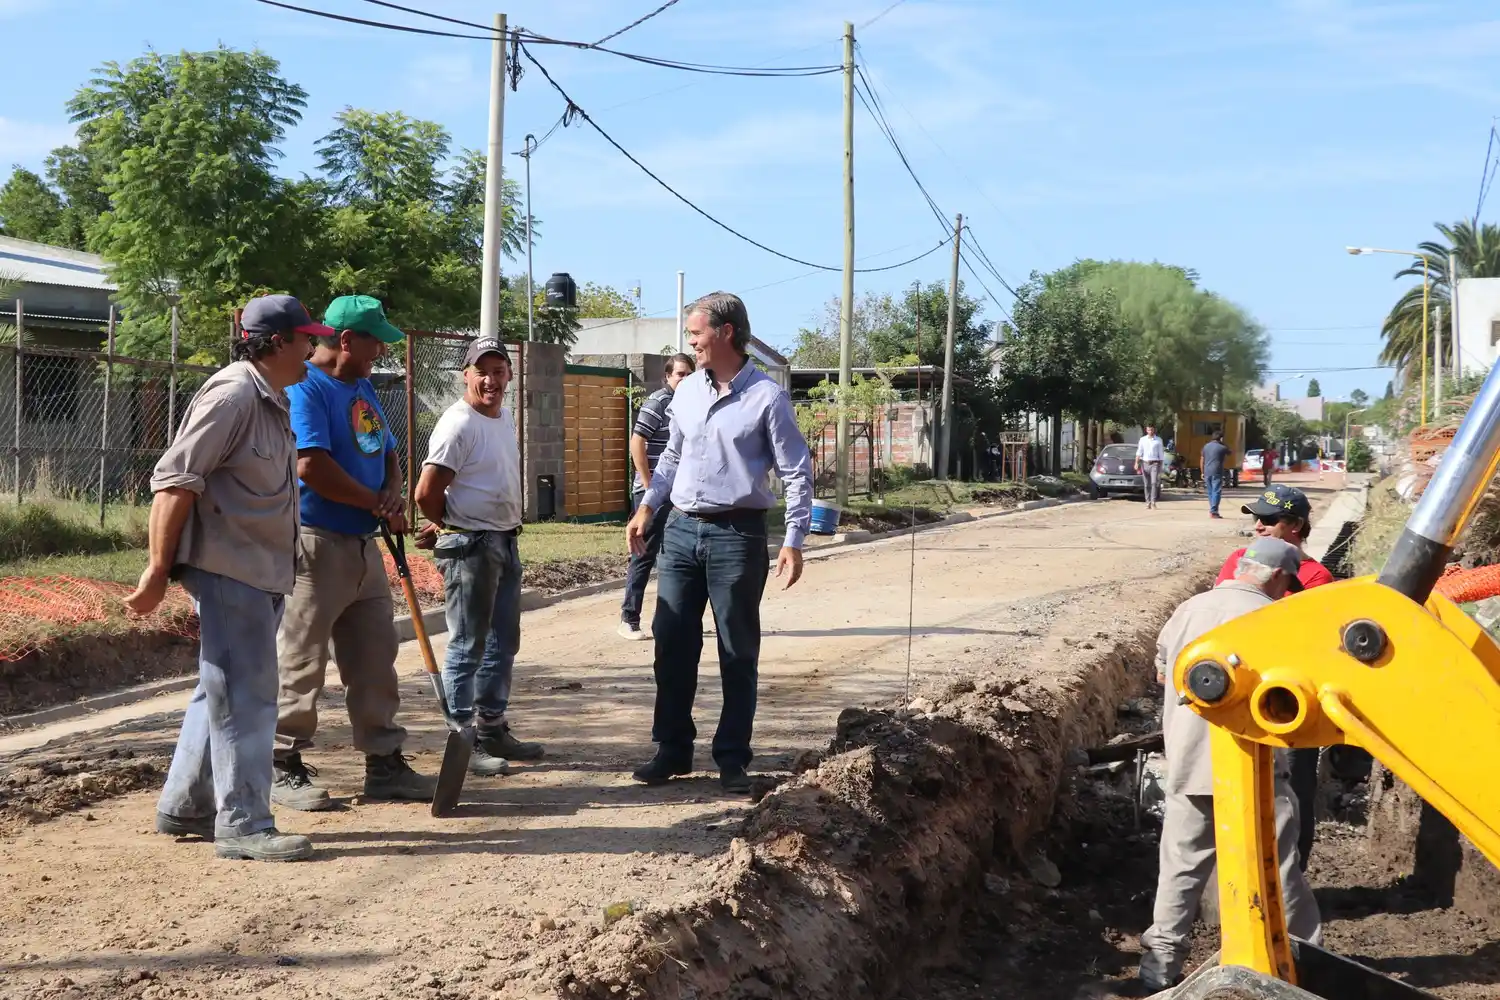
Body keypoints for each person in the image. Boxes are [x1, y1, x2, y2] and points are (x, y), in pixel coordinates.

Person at [127, 294, 328, 863]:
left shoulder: (273, 399)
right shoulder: (235, 392)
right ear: (278, 342)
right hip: (228, 569)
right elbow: (174, 480)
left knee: (217, 688)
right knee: (248, 695)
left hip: (260, 570)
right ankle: (243, 823)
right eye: (306, 338)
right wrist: (157, 571)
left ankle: (185, 806)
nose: (313, 347)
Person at [626, 291, 814, 794]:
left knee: (736, 649)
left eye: (696, 334)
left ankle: (732, 757)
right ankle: (672, 749)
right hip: (682, 530)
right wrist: (648, 505)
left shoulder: (767, 398)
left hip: (738, 534)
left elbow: (797, 473)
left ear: (725, 333)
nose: (690, 343)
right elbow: (670, 459)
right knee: (672, 643)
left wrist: (794, 540)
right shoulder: (686, 392)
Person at [270, 295, 435, 811]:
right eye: (374, 342)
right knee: (301, 660)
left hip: (365, 544)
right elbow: (310, 467)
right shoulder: (307, 388)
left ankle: (384, 763)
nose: (380, 353)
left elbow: (385, 449)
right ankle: (280, 764)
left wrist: (391, 492)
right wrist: (374, 502)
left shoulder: (361, 385)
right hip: (317, 544)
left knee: (375, 660)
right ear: (346, 340)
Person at [1138, 537, 1323, 991]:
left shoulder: (1190, 608)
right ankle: (1303, 965)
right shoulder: (1274, 619)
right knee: (1277, 870)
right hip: (1252, 770)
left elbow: (1163, 672)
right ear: (1279, 577)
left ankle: (1157, 970)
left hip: (1188, 762)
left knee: (1180, 870)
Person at [414, 337, 544, 778]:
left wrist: (452, 514)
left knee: (503, 643)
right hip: (472, 546)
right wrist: (451, 523)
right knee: (468, 646)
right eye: (481, 371)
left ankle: (492, 727)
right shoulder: (458, 425)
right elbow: (425, 493)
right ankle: (463, 740)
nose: (491, 380)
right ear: (465, 376)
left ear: (509, 374)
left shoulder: (503, 416)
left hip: (504, 540)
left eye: (499, 370)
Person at [1214, 483, 1333, 870]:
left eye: (1269, 520)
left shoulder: (1315, 578)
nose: (1258, 527)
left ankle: (1292, 877)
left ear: (1296, 525)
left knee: (1293, 791)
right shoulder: (1237, 559)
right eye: (1256, 519)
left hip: (1288, 702)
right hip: (1237, 694)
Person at [619, 352, 697, 640]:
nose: (685, 379)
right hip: (652, 494)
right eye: (679, 374)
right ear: (667, 377)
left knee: (676, 556)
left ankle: (671, 620)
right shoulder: (658, 403)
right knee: (644, 553)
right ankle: (629, 618)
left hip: (679, 495)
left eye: (689, 373)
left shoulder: (693, 404)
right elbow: (637, 441)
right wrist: (650, 484)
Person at [1201, 431, 1231, 519]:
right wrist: (1223, 443)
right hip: (1217, 471)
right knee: (1216, 491)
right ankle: (1213, 511)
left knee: (1210, 491)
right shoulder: (1222, 447)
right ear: (1221, 438)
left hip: (1207, 471)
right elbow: (1230, 452)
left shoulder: (1206, 446)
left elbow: (1202, 459)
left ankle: (1213, 510)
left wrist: (1202, 472)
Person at [1135, 424, 1165, 508]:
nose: (1150, 432)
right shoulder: (1142, 440)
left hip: (1154, 464)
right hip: (1144, 463)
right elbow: (1139, 452)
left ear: (1154, 430)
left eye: (1151, 430)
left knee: (1154, 483)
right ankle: (1147, 502)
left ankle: (1153, 501)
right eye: (1148, 430)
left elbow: (1161, 454)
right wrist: (1136, 463)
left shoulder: (1158, 440)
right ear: (1146, 430)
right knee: (1146, 484)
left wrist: (1161, 466)